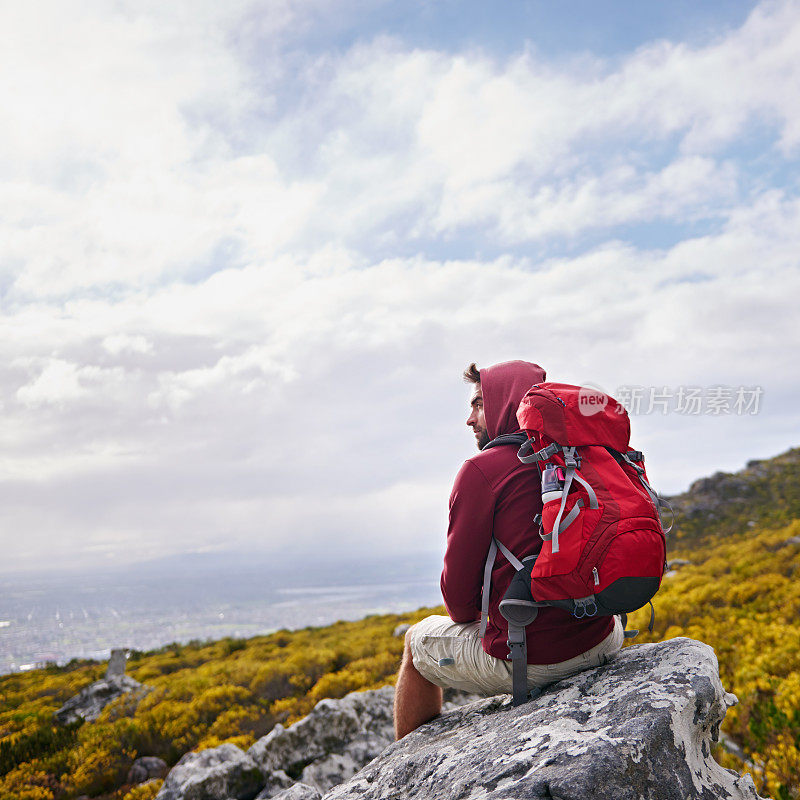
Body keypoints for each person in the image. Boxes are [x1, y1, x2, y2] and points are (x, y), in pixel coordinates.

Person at [393, 360, 624, 739]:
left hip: (538, 658)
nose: (470, 419)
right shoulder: (578, 453)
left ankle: (403, 772)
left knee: (416, 645)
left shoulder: (481, 471)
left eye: (479, 404)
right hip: (603, 635)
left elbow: (459, 607)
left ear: (504, 403)